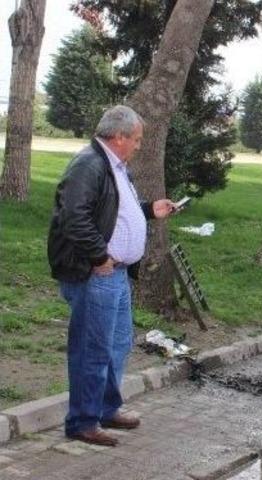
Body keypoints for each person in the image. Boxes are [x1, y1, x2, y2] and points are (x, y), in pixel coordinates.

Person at [47, 105, 176, 447]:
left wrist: (150, 210)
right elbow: (74, 217)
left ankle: (105, 408)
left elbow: (113, 210)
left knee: (117, 343)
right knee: (93, 348)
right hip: (96, 274)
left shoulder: (114, 165)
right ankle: (83, 421)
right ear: (118, 137)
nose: (138, 145)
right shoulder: (88, 165)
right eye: (135, 139)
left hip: (116, 275)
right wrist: (99, 256)